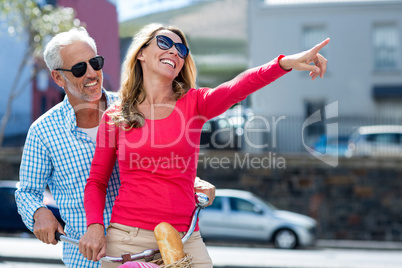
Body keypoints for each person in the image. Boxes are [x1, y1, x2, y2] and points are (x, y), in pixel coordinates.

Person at [80, 23, 329, 268]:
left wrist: (283, 63)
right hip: (127, 239)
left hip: (185, 239)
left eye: (181, 50)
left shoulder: (195, 103)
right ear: (142, 53)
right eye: (165, 43)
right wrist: (94, 226)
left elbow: (238, 86)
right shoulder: (115, 115)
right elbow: (97, 182)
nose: (174, 52)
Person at [15, 27, 215, 268]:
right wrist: (38, 212)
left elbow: (163, 163)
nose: (92, 74)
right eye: (80, 68)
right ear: (58, 77)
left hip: (150, 251)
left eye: (95, 63)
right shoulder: (43, 131)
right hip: (87, 260)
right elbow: (26, 191)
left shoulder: (133, 108)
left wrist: (192, 182)